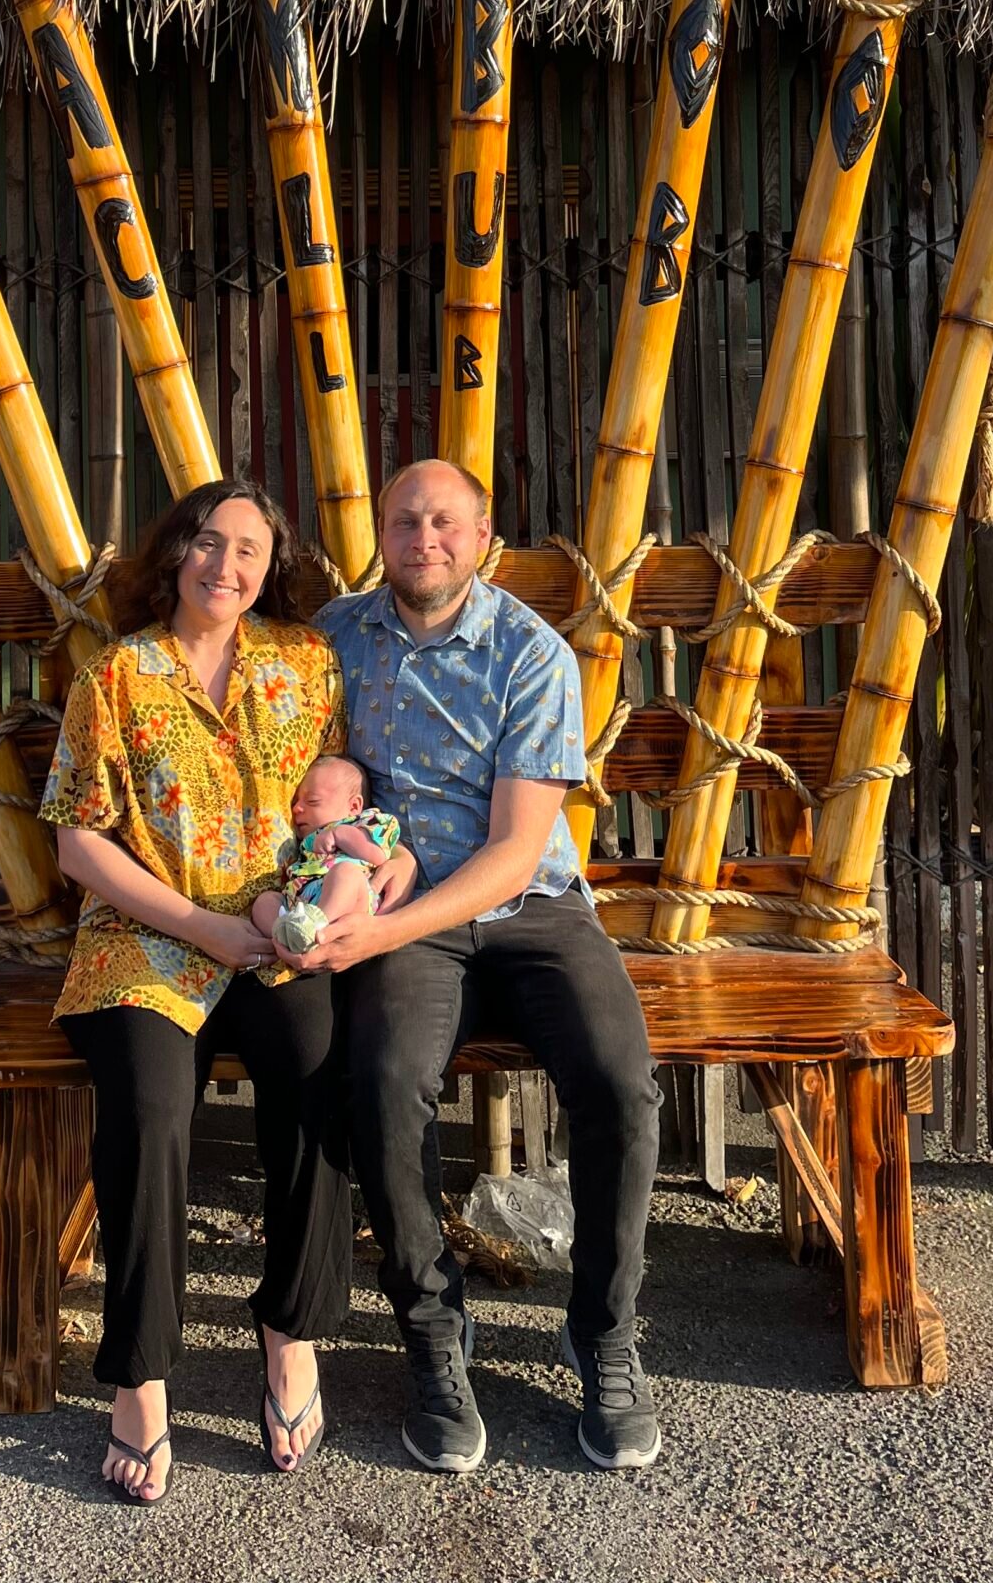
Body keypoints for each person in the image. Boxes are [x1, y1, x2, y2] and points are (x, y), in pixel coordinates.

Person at [298, 459, 662, 1475]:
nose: (426, 539)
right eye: (407, 520)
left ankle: (602, 1329)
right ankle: (432, 1325)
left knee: (622, 1084)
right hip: (402, 911)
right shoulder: (334, 639)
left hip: (532, 906)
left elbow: (511, 851)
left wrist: (372, 935)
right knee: (381, 1082)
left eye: (445, 521)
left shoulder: (532, 653)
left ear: (482, 532)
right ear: (382, 529)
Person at [40, 479, 353, 1503]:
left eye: (250, 550)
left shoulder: (306, 665)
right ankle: (140, 1373)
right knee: (149, 1104)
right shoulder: (115, 677)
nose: (228, 565)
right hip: (146, 938)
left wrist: (340, 889)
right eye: (209, 543)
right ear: (175, 552)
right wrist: (203, 925)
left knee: (318, 1067)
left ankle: (290, 1330)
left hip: (273, 929)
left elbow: (341, 805)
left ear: (272, 567)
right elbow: (79, 840)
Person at [251, 753, 402, 954]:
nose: (297, 808)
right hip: (301, 904)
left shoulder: (369, 822)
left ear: (354, 806)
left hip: (353, 901)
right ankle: (287, 935)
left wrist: (340, 834)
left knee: (345, 873)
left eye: (312, 801)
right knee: (264, 902)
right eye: (295, 802)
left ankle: (316, 929)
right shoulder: (308, 840)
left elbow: (378, 855)